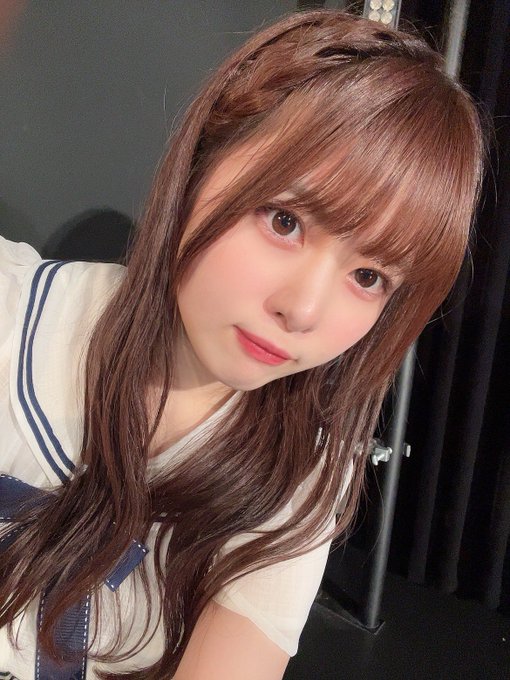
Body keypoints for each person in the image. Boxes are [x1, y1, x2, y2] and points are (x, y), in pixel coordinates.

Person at [0, 8, 485, 680]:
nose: (303, 310)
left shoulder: (300, 473)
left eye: (369, 277)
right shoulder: (13, 314)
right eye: (284, 220)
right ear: (202, 160)